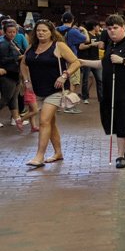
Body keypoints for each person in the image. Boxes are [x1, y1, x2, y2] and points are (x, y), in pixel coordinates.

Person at [79, 14, 125, 169]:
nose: (112, 31)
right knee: (113, 123)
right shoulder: (111, 45)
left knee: (123, 123)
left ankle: (120, 155)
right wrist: (82, 62)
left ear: (123, 28)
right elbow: (104, 64)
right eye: (109, 28)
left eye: (115, 28)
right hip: (109, 92)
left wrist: (123, 61)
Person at [21, 19, 81, 168]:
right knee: (50, 123)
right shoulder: (32, 47)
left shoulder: (58, 46)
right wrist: (27, 81)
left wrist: (64, 75)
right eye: (38, 30)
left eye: (44, 30)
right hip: (39, 90)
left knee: (43, 121)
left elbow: (76, 62)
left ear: (51, 32)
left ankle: (39, 156)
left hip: (56, 90)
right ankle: (58, 153)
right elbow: (23, 63)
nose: (41, 33)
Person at [56, 12, 87, 113]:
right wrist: (84, 30)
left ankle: (58, 104)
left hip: (58, 59)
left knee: (60, 81)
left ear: (62, 19)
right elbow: (86, 39)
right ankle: (68, 105)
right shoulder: (73, 31)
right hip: (71, 59)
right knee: (73, 81)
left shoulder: (56, 30)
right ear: (72, 20)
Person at [0, 20, 26, 130]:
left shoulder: (12, 42)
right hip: (7, 74)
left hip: (15, 74)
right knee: (6, 98)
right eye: (10, 32)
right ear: (4, 32)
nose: (12, 34)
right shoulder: (3, 43)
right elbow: (3, 59)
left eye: (14, 32)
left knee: (14, 98)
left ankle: (16, 119)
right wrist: (18, 57)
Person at [77, 20, 103, 104]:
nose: (99, 28)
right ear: (94, 26)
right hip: (87, 60)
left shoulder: (98, 35)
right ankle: (85, 97)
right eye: (98, 26)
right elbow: (80, 47)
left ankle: (101, 98)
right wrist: (91, 45)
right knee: (85, 79)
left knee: (100, 80)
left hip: (96, 60)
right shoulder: (86, 35)